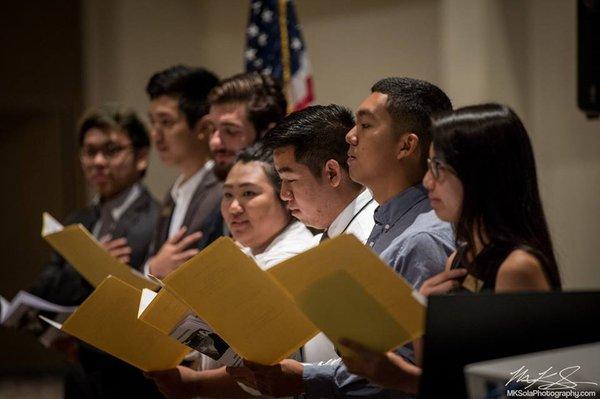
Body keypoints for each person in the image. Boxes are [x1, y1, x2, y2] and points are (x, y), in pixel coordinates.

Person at [230, 77, 456, 398]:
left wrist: (307, 378)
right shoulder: (384, 222)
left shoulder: (419, 236)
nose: (351, 135)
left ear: (406, 146)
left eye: (365, 125)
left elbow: (398, 370)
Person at [339, 103, 562, 394]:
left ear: (479, 174)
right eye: (429, 167)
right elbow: (441, 374)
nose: (428, 181)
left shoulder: (516, 267)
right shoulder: (459, 258)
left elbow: (523, 389)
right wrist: (423, 319)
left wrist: (397, 375)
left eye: (438, 168)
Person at [147, 143, 314, 398]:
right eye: (227, 195)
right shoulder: (238, 250)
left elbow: (269, 364)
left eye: (249, 193)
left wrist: (196, 383)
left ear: (284, 196)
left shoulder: (298, 255)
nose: (234, 207)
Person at [29, 103, 162, 398]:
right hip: (79, 374)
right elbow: (42, 290)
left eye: (112, 150)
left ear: (141, 157)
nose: (98, 161)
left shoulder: (159, 221)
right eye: (90, 152)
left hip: (134, 379)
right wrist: (88, 265)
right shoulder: (77, 221)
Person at [261, 104, 378, 364]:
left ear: (332, 173)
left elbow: (374, 358)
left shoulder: (372, 238)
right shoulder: (330, 237)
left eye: (290, 179)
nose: (283, 194)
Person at [145, 65, 222, 279]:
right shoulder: (172, 193)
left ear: (204, 127)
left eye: (166, 122)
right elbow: (159, 262)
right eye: (153, 122)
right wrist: (152, 269)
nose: (155, 135)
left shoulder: (223, 189)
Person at [206, 72, 287, 181]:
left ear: (268, 135)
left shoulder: (297, 196)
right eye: (212, 129)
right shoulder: (211, 194)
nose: (214, 142)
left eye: (230, 130)